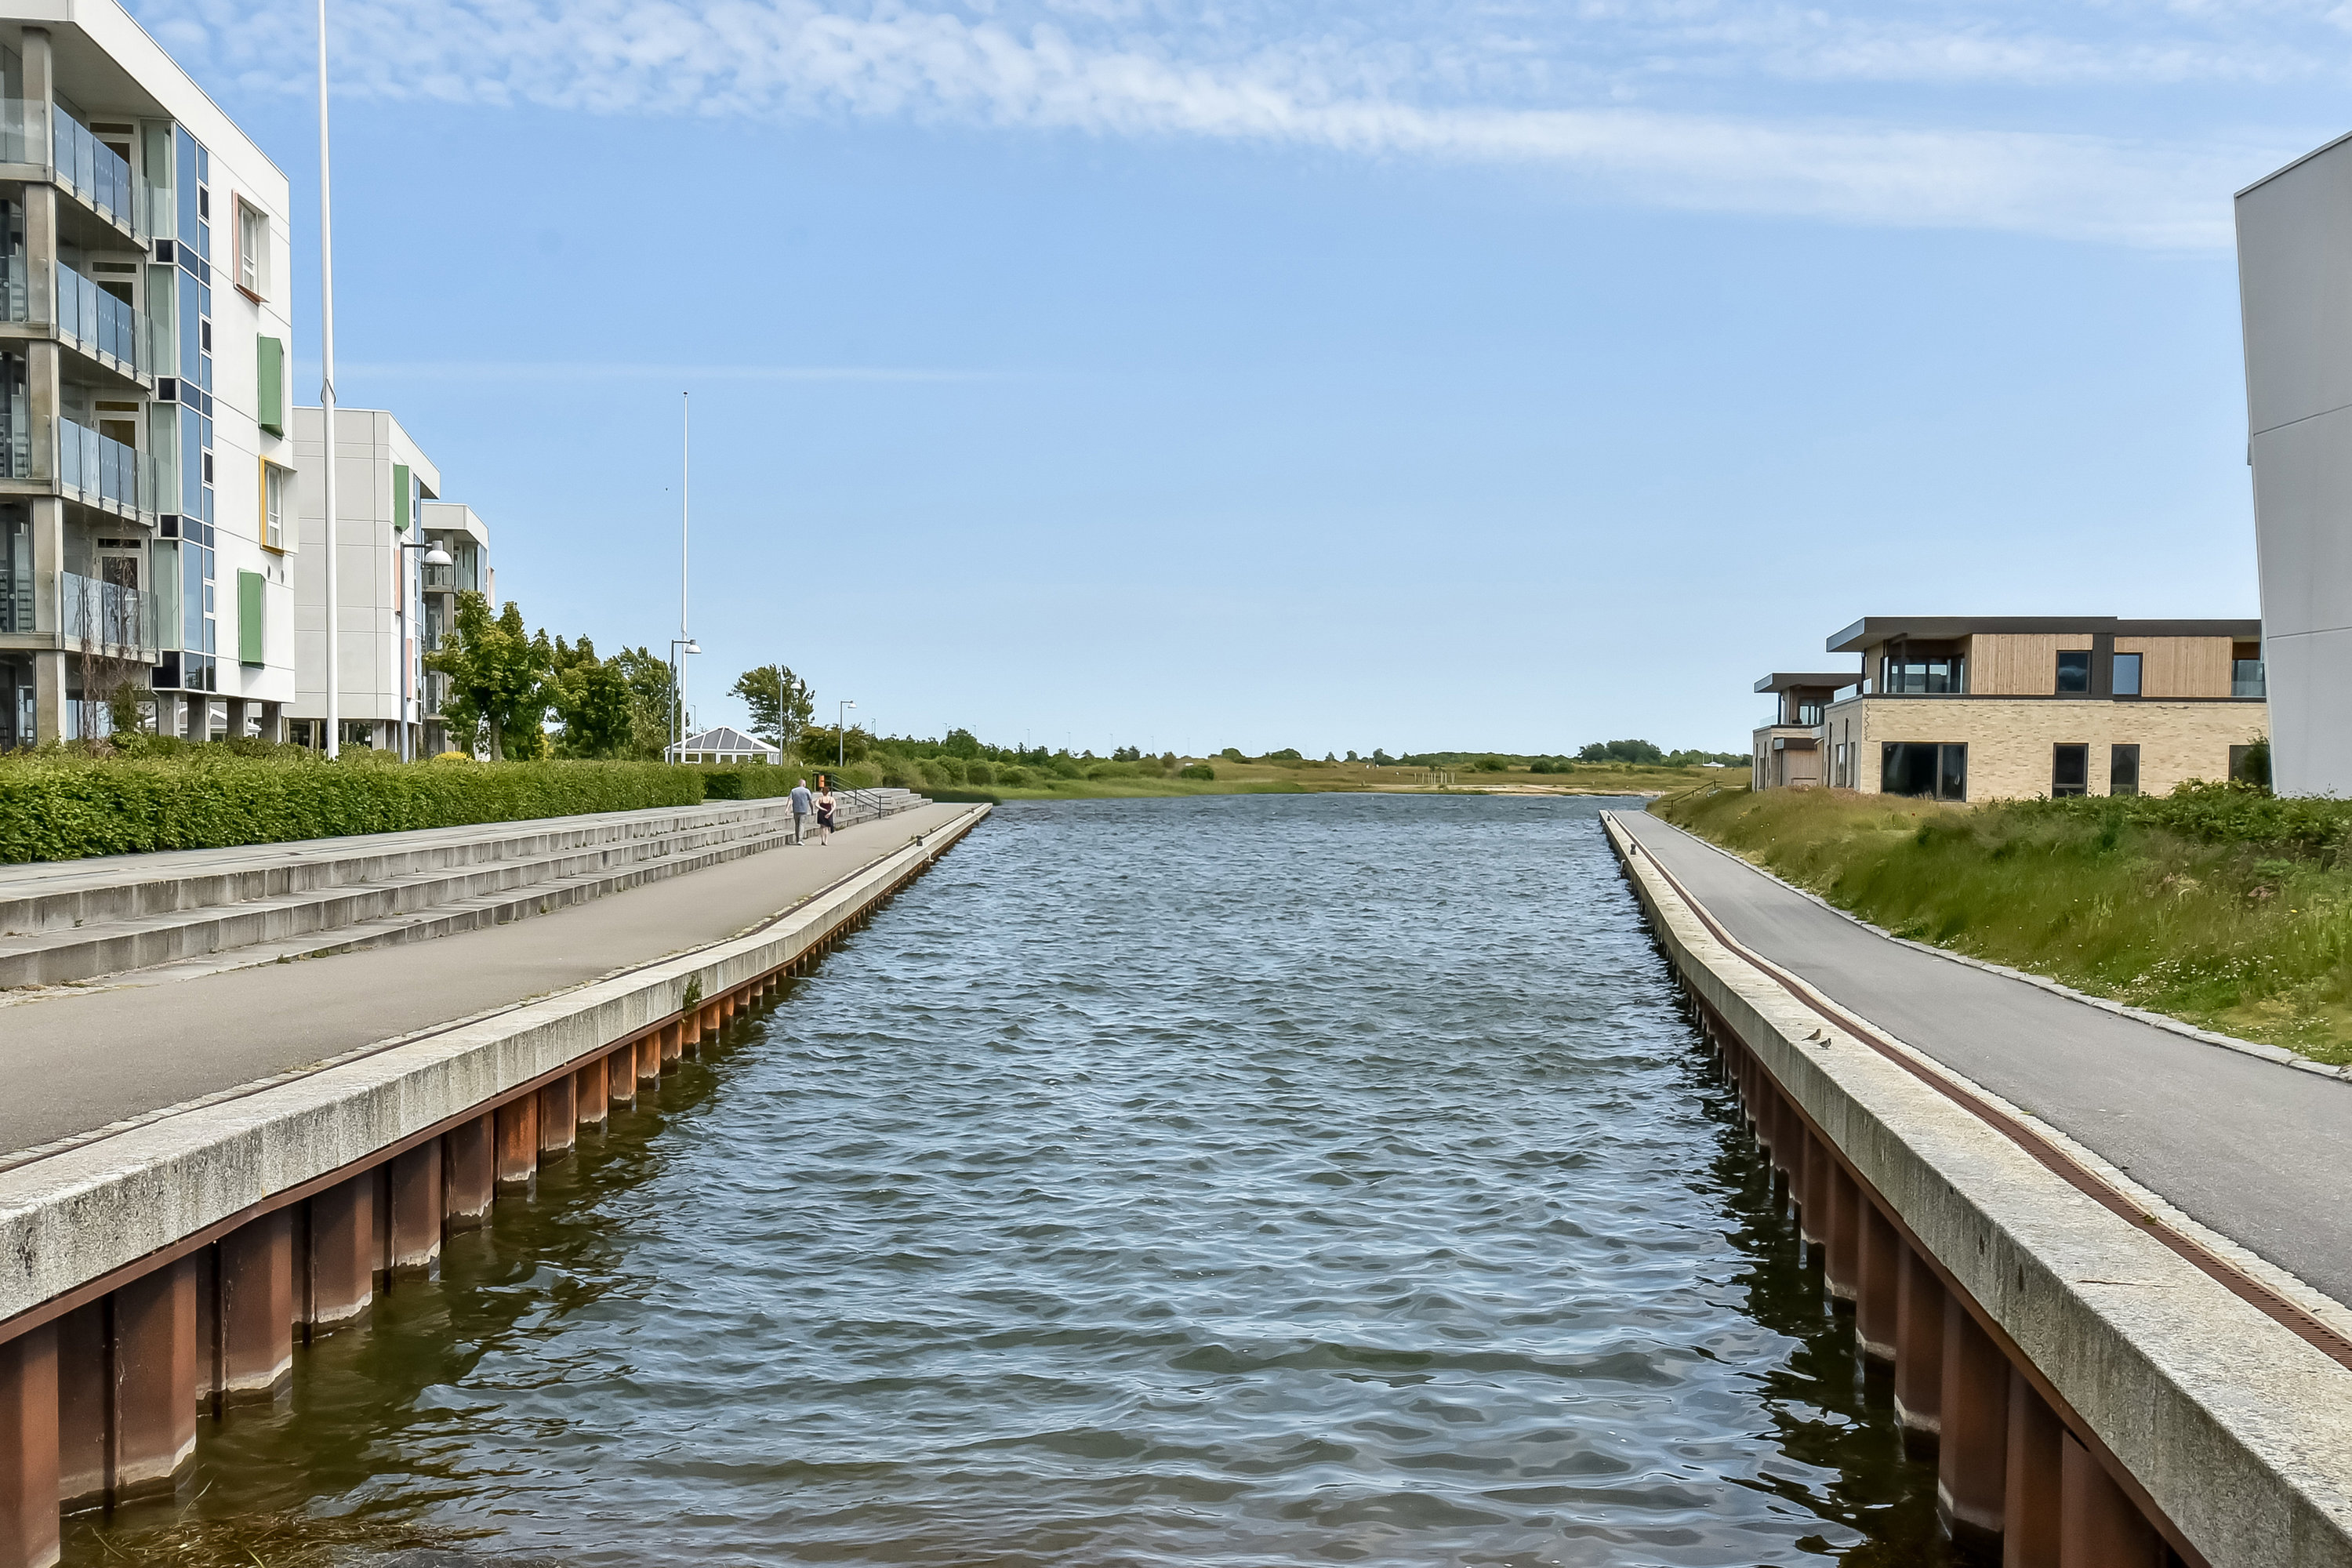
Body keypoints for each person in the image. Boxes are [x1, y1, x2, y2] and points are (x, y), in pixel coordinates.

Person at [789, 777, 812, 844]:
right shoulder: (807, 791)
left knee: (797, 825)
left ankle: (797, 839)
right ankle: (800, 839)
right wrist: (812, 809)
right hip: (804, 810)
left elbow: (790, 800)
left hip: (796, 810)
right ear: (804, 784)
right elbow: (810, 801)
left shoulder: (793, 790)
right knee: (801, 824)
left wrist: (788, 809)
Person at [815, 779, 837, 844]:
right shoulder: (831, 799)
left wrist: (822, 808)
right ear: (828, 792)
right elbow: (834, 806)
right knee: (827, 827)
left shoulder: (820, 798)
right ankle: (826, 841)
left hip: (821, 813)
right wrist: (830, 813)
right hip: (828, 812)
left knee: (822, 827)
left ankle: (822, 840)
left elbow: (816, 804)